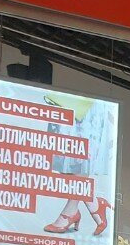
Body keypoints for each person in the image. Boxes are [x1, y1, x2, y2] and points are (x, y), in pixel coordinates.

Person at [42, 94, 115, 236]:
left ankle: (71, 211)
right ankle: (93, 203)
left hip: (84, 106)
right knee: (62, 160)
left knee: (78, 159)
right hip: (63, 102)